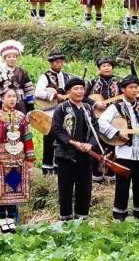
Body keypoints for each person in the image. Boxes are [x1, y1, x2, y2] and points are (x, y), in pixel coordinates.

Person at [99, 74, 139, 221]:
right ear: (123, 90)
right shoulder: (115, 107)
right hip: (124, 153)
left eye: (136, 87)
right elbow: (102, 122)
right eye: (131, 87)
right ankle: (119, 215)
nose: (134, 90)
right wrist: (116, 133)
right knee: (122, 184)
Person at [0, 86, 35, 233]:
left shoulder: (21, 116)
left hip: (18, 157)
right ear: (2, 99)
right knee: (1, 188)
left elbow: (27, 137)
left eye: (14, 96)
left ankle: (11, 219)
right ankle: (2, 219)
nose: (12, 99)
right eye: (9, 97)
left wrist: (30, 157)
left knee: (14, 187)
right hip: (1, 157)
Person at [52, 77, 100, 220]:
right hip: (66, 155)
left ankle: (82, 217)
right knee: (65, 188)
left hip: (85, 154)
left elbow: (95, 128)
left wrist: (90, 144)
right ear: (68, 92)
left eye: (81, 89)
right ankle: (65, 218)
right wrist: (73, 143)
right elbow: (56, 131)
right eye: (76, 89)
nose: (80, 91)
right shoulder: (61, 108)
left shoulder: (87, 108)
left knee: (84, 188)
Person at [34, 49, 71, 174]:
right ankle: (47, 167)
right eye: (56, 62)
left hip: (64, 111)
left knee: (61, 138)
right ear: (51, 63)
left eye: (61, 62)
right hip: (50, 111)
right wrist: (54, 96)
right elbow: (38, 92)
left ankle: (58, 166)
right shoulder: (45, 77)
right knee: (49, 139)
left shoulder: (66, 76)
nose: (59, 64)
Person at [0, 40, 34, 114]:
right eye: (9, 57)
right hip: (5, 103)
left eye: (14, 57)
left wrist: (30, 102)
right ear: (4, 59)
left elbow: (29, 88)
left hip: (21, 102)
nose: (12, 59)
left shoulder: (22, 71)